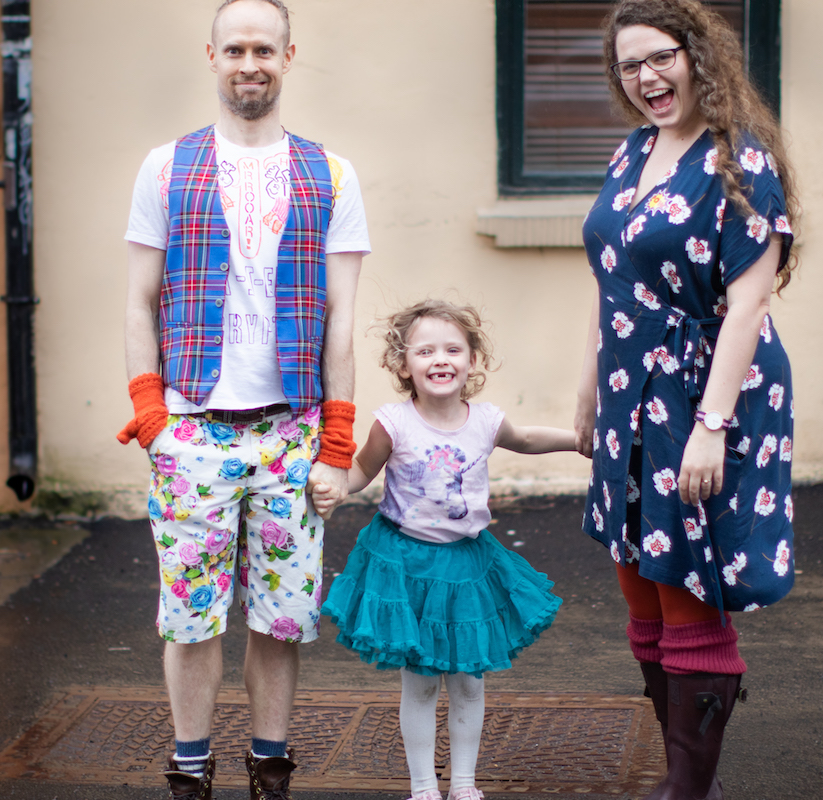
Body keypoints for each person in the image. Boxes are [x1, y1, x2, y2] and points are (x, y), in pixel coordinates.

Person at [116, 1, 370, 798]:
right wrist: (152, 419)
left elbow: (341, 319)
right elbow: (138, 300)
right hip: (191, 429)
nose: (249, 62)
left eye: (265, 48)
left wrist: (336, 441)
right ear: (212, 55)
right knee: (190, 616)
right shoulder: (165, 166)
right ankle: (190, 764)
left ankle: (270, 762)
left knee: (282, 615)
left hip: (290, 432)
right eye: (235, 49)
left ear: (290, 56)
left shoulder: (332, 172)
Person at [573, 1, 800, 797]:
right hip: (629, 388)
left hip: (705, 390)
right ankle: (678, 755)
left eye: (661, 57)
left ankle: (685, 786)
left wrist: (712, 426)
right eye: (631, 65)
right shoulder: (631, 152)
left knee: (685, 575)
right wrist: (589, 390)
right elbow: (611, 284)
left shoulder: (743, 160)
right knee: (637, 571)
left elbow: (748, 305)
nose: (647, 77)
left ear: (698, 55)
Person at [314, 300, 573, 800]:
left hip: (467, 567)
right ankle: (422, 786)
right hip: (405, 566)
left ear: (472, 360)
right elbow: (362, 471)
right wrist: (329, 484)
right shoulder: (392, 423)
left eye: (453, 349)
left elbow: (527, 438)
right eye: (426, 350)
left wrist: (580, 439)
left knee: (469, 683)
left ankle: (465, 783)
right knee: (421, 684)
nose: (441, 359)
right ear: (403, 364)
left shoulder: (487, 421)